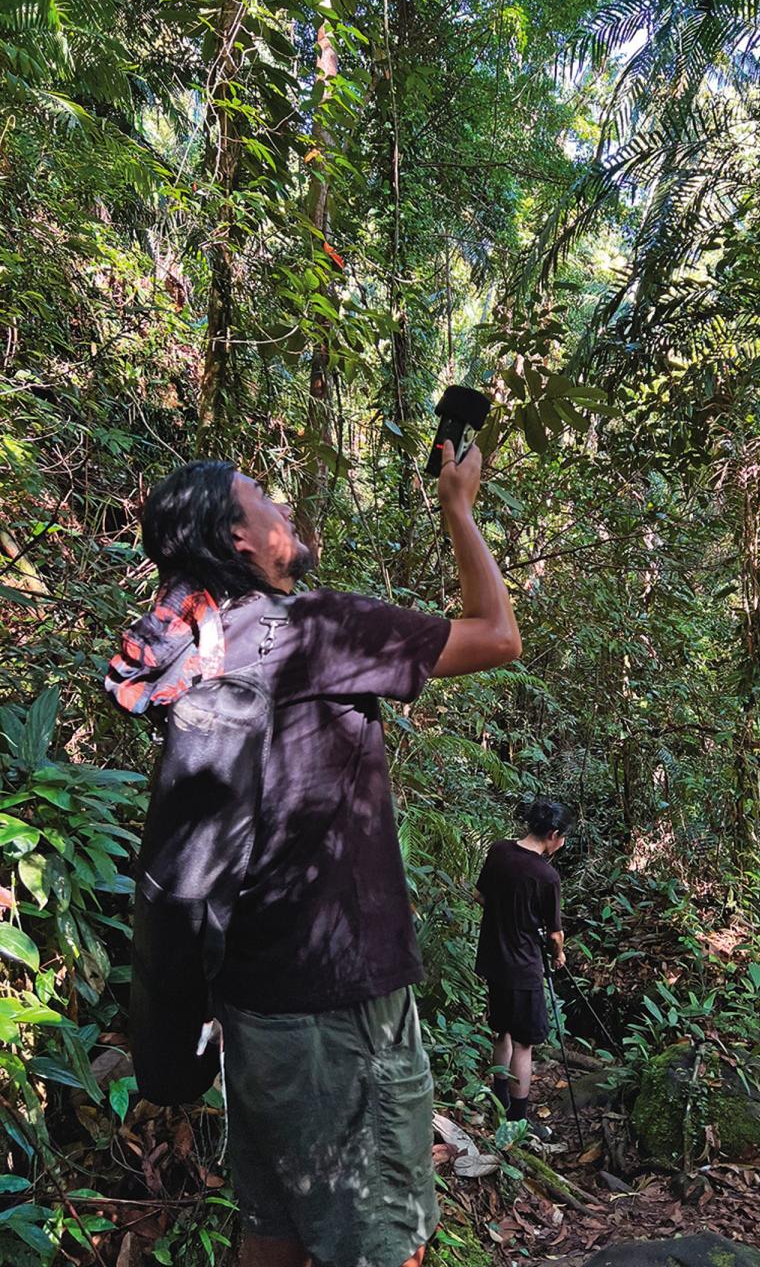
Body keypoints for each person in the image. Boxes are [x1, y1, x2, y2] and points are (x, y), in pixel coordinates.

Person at [106, 441, 520, 1267]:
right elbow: (498, 636)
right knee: (383, 1244)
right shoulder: (319, 628)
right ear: (240, 542)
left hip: (251, 1007)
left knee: (273, 1231)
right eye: (263, 498)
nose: (283, 506)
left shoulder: (200, 649)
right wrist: (459, 509)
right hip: (343, 1007)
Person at [474, 799, 572, 1132]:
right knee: (523, 1043)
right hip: (523, 966)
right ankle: (516, 1120)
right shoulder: (546, 875)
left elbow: (480, 896)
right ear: (554, 834)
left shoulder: (499, 851)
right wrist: (558, 953)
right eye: (563, 837)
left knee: (501, 1031)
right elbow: (555, 933)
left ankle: (498, 1101)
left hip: (493, 958)